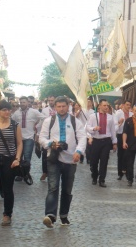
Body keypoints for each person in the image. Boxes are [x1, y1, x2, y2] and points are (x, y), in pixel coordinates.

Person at [39, 96, 87, 228]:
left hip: (71, 159)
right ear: (55, 107)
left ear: (68, 106)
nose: (61, 109)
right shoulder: (49, 121)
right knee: (53, 187)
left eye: (63, 106)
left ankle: (64, 215)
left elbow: (82, 138)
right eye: (58, 106)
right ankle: (50, 215)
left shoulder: (75, 121)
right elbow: (41, 137)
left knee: (67, 189)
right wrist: (50, 143)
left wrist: (78, 151)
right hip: (54, 158)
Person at [0, 100, 23, 226]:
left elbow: (19, 143)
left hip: (9, 159)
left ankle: (7, 214)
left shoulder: (14, 124)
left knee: (8, 188)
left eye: (8, 109)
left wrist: (17, 158)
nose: (7, 112)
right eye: (4, 110)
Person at [12, 96, 46, 181]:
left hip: (29, 138)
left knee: (27, 157)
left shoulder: (34, 112)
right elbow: (11, 122)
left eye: (24, 102)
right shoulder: (16, 113)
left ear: (27, 103)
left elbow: (44, 118)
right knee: (19, 156)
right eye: (21, 102)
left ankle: (26, 174)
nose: (22, 104)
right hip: (19, 138)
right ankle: (20, 174)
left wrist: (37, 126)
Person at [86, 99, 117, 188]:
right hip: (96, 140)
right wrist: (94, 128)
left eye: (107, 105)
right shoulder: (93, 116)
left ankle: (102, 179)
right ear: (99, 106)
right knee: (94, 161)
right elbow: (87, 127)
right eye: (104, 105)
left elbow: (112, 130)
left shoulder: (110, 117)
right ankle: (94, 176)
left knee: (104, 161)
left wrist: (114, 142)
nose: (106, 107)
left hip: (106, 141)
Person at [39, 95, 57, 181]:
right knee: (44, 154)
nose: (50, 102)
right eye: (49, 100)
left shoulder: (59, 109)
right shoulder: (45, 110)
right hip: (46, 134)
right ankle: (45, 172)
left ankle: (54, 172)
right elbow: (41, 122)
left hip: (56, 134)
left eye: (52, 100)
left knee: (55, 153)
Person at [113, 100, 132, 180]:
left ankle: (128, 172)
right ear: (123, 105)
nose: (128, 106)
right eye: (127, 105)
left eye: (129, 105)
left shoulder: (131, 114)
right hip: (120, 134)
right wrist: (119, 122)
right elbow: (114, 126)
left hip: (129, 136)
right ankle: (120, 173)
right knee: (120, 154)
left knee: (128, 155)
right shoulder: (118, 113)